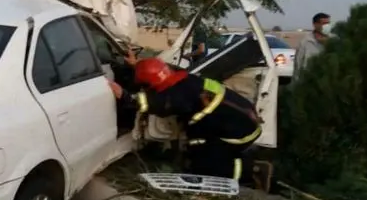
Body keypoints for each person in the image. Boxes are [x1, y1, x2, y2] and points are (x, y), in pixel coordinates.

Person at [108, 56, 261, 180]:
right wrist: (137, 65)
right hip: (243, 119)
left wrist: (125, 96)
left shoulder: (178, 97)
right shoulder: (183, 78)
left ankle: (248, 174)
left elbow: (153, 104)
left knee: (206, 163)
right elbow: (156, 75)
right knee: (196, 147)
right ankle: (236, 162)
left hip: (238, 133)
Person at [293, 12, 331, 81]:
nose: (327, 26)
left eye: (328, 23)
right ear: (315, 25)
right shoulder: (306, 42)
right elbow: (298, 64)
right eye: (324, 24)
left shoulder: (335, 40)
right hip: (310, 82)